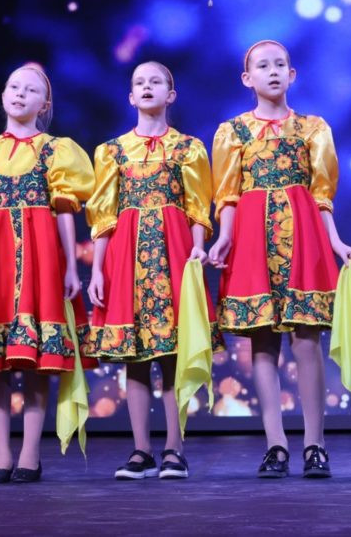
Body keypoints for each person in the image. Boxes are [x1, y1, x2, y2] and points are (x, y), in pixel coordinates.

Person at [208, 40, 351, 479]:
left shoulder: (312, 128)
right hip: (253, 237)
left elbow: (322, 193)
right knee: (263, 342)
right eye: (262, 65)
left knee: (307, 339)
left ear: (292, 75)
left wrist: (335, 240)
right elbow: (227, 193)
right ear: (247, 78)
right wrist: (225, 237)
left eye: (280, 65)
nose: (272, 71)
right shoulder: (233, 132)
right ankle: (275, 444)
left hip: (303, 236)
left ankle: (315, 444)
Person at [0, 65, 95, 483]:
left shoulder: (55, 151)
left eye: (31, 90)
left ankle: (30, 453)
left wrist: (69, 266)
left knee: (34, 359)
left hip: (40, 259)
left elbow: (64, 211)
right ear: (3, 95)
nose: (20, 94)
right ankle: (0, 454)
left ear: (44, 105)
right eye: (14, 86)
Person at [85, 61, 221, 480]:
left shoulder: (188, 148)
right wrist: (97, 270)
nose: (147, 87)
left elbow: (197, 207)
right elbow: (104, 216)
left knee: (174, 352)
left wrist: (197, 250)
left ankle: (175, 448)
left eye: (156, 81)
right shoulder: (111, 151)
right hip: (126, 256)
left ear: (170, 94)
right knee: (136, 357)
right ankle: (141, 450)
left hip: (174, 253)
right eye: (139, 83)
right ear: (131, 97)